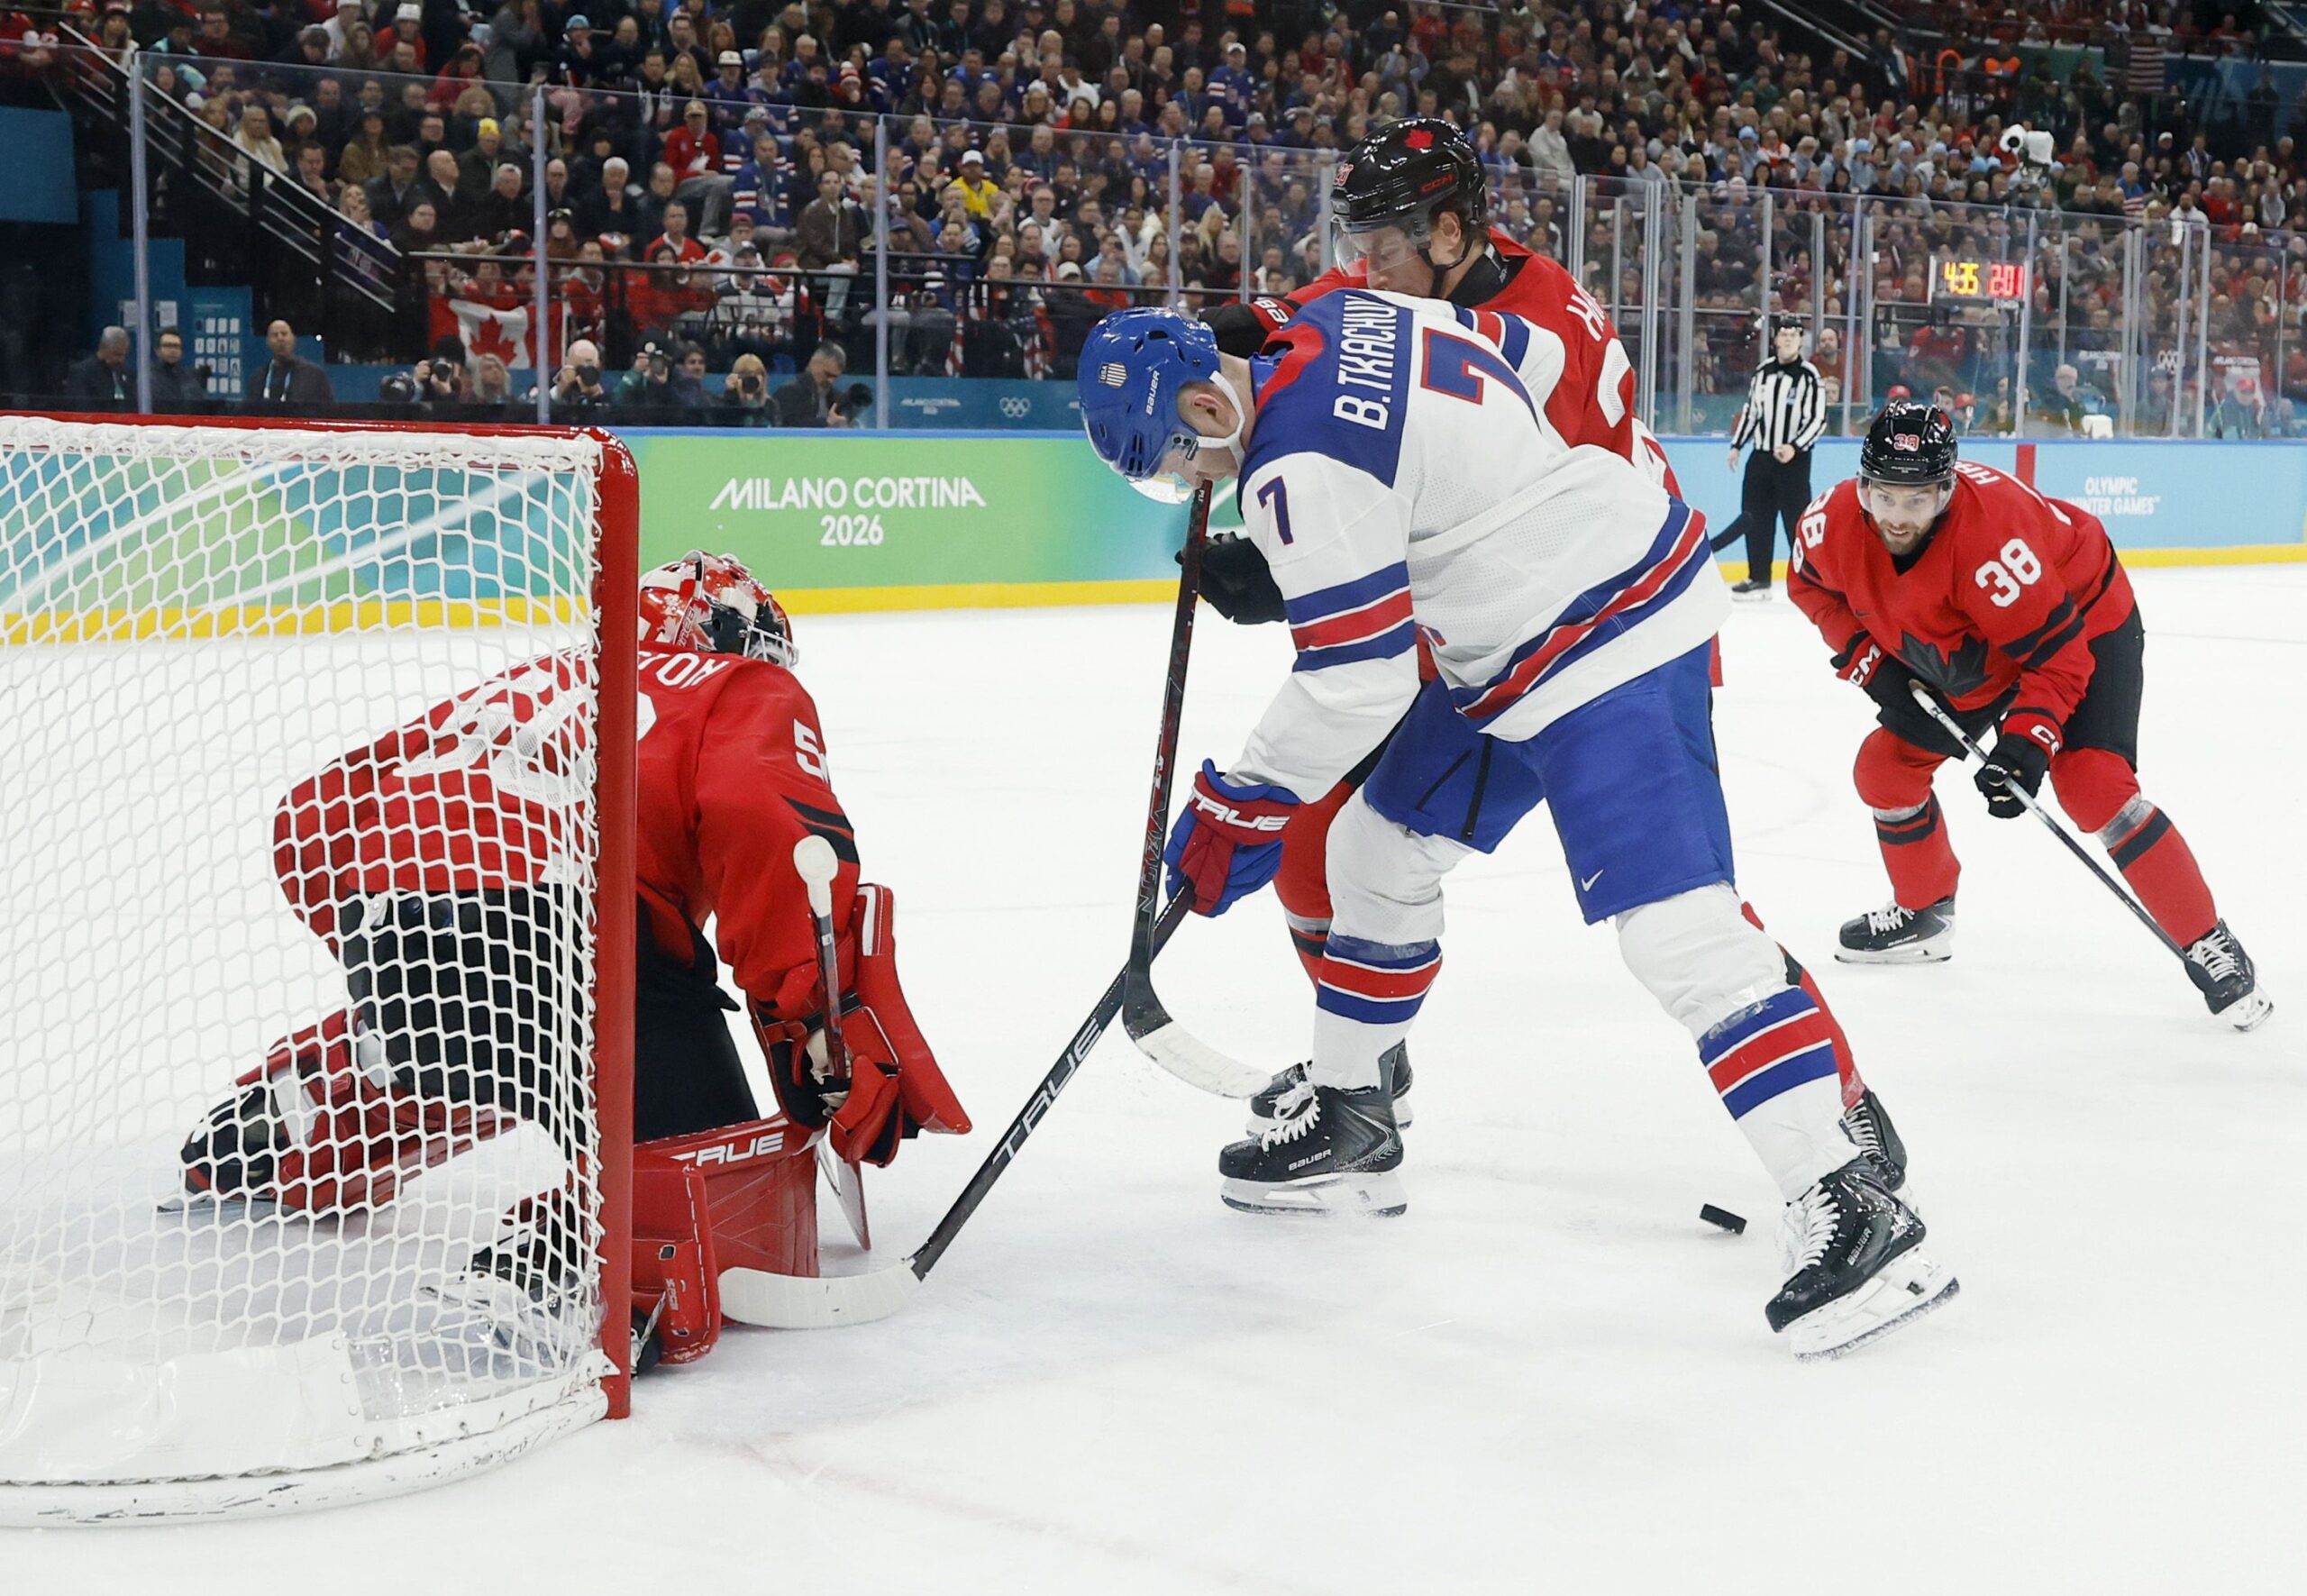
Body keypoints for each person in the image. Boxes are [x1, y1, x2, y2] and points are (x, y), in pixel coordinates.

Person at [1076, 303, 1954, 1360]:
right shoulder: (1339, 311)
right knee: (1374, 848)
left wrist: (1241, 796)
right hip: (1509, 631)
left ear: (1211, 402)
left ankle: (1850, 1204)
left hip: (1603, 633)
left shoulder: (1292, 465)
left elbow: (1355, 681)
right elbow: (1521, 357)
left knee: (1677, 933)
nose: (1192, 483)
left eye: (1179, 462)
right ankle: (1356, 1114)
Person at [1187, 120, 1857, 1137]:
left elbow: (1509, 536)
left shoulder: (1544, 336)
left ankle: (1837, 1107)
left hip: (1605, 623)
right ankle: (1358, 1079)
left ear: (1452, 232)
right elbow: (1295, 324)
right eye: (1357, 242)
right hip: (1487, 639)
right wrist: (1206, 350)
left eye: (1386, 244)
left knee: (1682, 903)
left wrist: (1292, 582)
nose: (1362, 266)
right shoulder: (1412, 287)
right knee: (1342, 839)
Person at [178, 553, 969, 1326]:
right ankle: (556, 1258)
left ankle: (358, 1072)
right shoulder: (740, 683)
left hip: (385, 921)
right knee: (711, 1164)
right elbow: (762, 817)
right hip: (560, 921)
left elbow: (313, 813)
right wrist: (813, 1026)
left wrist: (395, 960)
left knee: (522, 1035)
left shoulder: (536, 681)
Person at [1788, 403, 2270, 1030]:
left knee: (2093, 785)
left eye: (1917, 500)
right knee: (1885, 769)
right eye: (1885, 497)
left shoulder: (1992, 539)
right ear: (1862, 487)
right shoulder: (1828, 525)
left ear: (1947, 489)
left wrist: (2028, 743)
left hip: (2079, 616)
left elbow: (2059, 657)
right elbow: (1809, 586)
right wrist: (1870, 665)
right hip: (1975, 640)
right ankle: (1924, 913)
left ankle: (2208, 938)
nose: (1897, 518)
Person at [1712, 315, 1827, 598]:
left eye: (1794, 334)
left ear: (1800, 340)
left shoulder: (1809, 375)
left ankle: (1811, 579)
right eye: (1783, 334)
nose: (1788, 339)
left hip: (1794, 462)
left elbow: (1818, 419)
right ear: (1775, 339)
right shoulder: (1763, 371)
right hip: (1761, 457)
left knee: (1796, 520)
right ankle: (1759, 577)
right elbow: (1752, 411)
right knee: (1756, 518)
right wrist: (1737, 445)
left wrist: (1795, 446)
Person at [246, 318, 335, 409]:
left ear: (294, 339)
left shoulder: (315, 375)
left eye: (284, 334)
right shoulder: (258, 378)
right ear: (267, 342)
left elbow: (328, 410)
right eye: (275, 335)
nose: (280, 338)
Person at [773, 339, 853, 427]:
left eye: (835, 377)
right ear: (814, 364)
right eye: (828, 374)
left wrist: (845, 417)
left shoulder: (834, 395)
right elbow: (789, 425)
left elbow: (845, 406)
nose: (831, 381)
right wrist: (826, 422)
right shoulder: (789, 391)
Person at [62, 325, 132, 408]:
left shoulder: (125, 373)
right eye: (117, 355)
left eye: (124, 355)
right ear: (103, 348)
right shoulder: (82, 373)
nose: (121, 360)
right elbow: (81, 407)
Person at [150, 325, 209, 412]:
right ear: (157, 350)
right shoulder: (149, 378)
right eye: (168, 346)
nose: (173, 350)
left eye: (176, 346)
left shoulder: (189, 378)